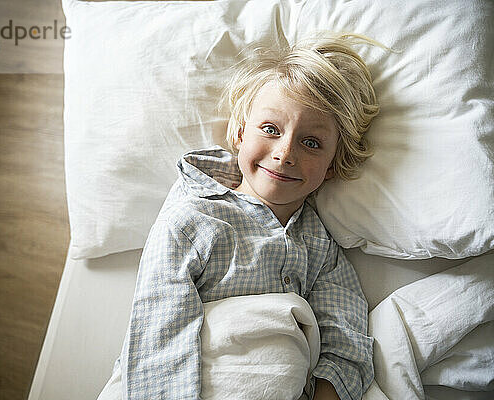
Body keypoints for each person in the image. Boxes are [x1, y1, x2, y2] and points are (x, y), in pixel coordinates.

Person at [107, 33, 381, 400]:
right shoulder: (191, 220)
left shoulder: (321, 247)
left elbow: (346, 334)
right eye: (271, 129)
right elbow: (160, 332)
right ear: (239, 132)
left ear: (332, 166)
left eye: (311, 143)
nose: (285, 153)